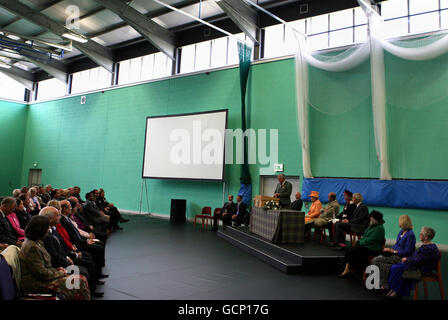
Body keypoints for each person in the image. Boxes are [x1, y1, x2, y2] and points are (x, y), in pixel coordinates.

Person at [19, 215, 91, 300]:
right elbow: (41, 273)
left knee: (80, 279)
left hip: (43, 277)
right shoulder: (32, 247)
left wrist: (57, 270)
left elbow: (42, 268)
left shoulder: (36, 242)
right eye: (47, 227)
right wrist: (60, 273)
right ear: (40, 229)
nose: (48, 229)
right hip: (36, 283)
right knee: (79, 281)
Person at [386, 226, 440, 299]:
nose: (419, 235)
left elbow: (418, 260)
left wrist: (406, 260)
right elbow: (417, 258)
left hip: (422, 269)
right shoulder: (427, 246)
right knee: (397, 266)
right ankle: (395, 289)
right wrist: (407, 259)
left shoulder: (428, 249)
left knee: (396, 268)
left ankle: (396, 290)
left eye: (421, 234)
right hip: (419, 265)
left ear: (426, 237)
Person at [371, 215, 416, 292]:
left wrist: (395, 252)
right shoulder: (401, 232)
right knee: (377, 259)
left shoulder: (410, 235)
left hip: (401, 257)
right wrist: (390, 249)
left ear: (404, 222)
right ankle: (379, 283)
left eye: (400, 221)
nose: (399, 223)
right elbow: (396, 244)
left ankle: (383, 285)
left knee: (378, 260)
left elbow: (408, 251)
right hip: (394, 254)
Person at [338, 210, 385, 278]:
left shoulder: (379, 228)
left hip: (373, 248)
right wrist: (360, 242)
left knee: (352, 250)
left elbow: (371, 240)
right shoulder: (372, 226)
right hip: (367, 246)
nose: (370, 218)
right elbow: (365, 236)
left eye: (371, 217)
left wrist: (360, 242)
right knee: (349, 249)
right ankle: (350, 269)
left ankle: (347, 269)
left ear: (375, 218)